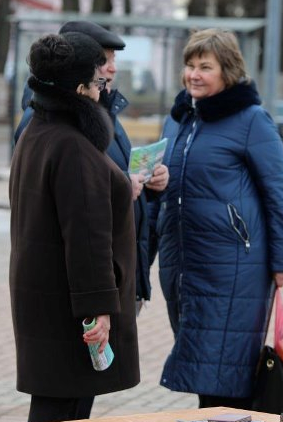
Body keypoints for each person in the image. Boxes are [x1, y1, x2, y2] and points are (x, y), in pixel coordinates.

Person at [9, 32, 140, 422]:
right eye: (99, 84)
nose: (105, 91)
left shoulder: (38, 131)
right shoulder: (72, 146)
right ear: (80, 89)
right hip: (70, 305)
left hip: (43, 295)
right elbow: (86, 238)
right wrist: (99, 310)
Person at [150, 28, 283, 408]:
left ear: (227, 71)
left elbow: (278, 196)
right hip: (183, 262)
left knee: (225, 373)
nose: (194, 74)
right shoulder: (180, 119)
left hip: (233, 267)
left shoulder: (252, 120)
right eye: (189, 65)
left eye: (205, 67)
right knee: (203, 365)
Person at [15, 21, 168, 315]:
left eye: (112, 60)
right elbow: (70, 198)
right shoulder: (51, 122)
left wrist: (149, 182)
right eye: (104, 59)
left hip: (116, 276)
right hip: (87, 286)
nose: (111, 68)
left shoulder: (101, 110)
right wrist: (122, 184)